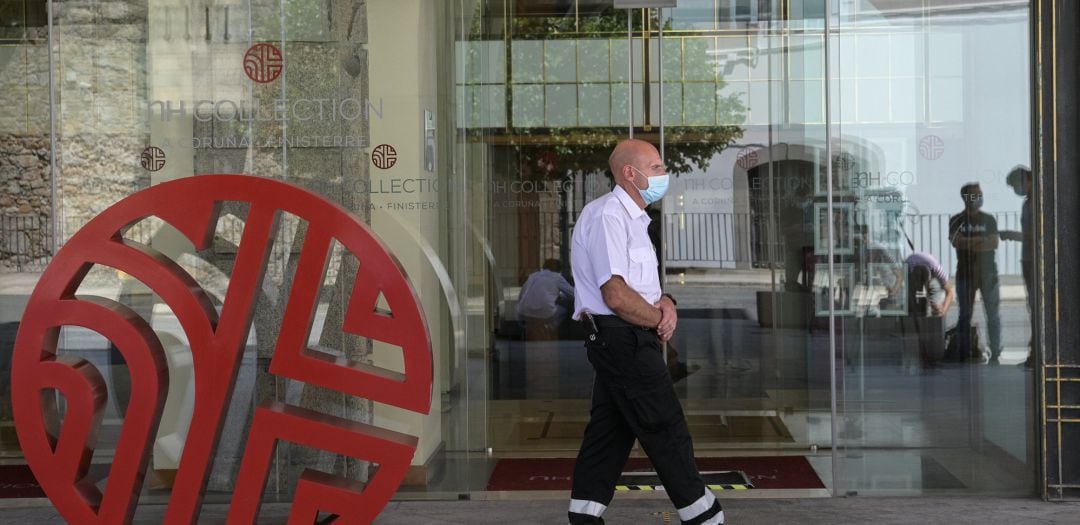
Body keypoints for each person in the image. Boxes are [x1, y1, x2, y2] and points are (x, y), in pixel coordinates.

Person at [567, 139, 723, 525]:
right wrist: (658, 320)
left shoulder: (635, 220)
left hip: (628, 336)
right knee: (665, 427)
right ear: (629, 174)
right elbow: (616, 294)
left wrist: (665, 302)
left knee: (610, 432)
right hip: (622, 337)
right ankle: (705, 517)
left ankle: (584, 514)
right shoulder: (608, 216)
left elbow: (642, 289)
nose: (663, 173)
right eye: (655, 167)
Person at [950, 182, 1003, 364]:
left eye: (980, 194)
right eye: (975, 195)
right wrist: (981, 240)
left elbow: (993, 243)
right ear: (966, 198)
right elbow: (957, 242)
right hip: (965, 275)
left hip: (988, 275)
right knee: (965, 314)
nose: (979, 198)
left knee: (993, 315)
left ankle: (996, 351)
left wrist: (970, 241)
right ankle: (964, 353)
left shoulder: (989, 220)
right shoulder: (956, 220)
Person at [1001, 165, 1035, 368]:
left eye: (1016, 185)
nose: (1016, 190)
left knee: (1038, 307)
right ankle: (1035, 353)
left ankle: (1037, 353)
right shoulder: (1027, 203)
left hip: (1034, 260)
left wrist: (1012, 235)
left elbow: (1039, 232)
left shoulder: (1037, 203)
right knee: (1032, 307)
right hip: (1028, 260)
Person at [516, 258, 575, 340]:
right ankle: (548, 327)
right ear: (559, 270)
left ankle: (526, 328)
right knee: (563, 311)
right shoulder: (557, 277)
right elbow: (573, 294)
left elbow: (521, 295)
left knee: (521, 310)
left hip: (524, 313)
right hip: (544, 314)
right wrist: (562, 296)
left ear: (544, 267)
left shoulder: (533, 276)